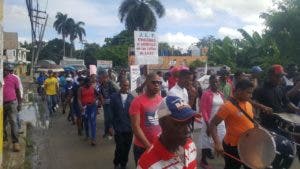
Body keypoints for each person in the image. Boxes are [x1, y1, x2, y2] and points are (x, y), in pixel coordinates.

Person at [138, 96, 198, 169]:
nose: (187, 131)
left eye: (188, 123)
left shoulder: (190, 145)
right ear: (162, 123)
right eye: (179, 125)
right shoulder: (147, 164)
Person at [209, 79, 255, 169]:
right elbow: (213, 124)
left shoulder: (248, 104)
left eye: (251, 93)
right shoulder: (227, 106)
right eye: (248, 93)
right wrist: (217, 143)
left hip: (248, 144)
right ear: (239, 91)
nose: (251, 95)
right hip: (233, 146)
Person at [253, 65, 300, 133]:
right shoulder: (260, 90)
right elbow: (253, 104)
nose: (280, 79)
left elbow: (287, 102)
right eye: (277, 76)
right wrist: (256, 116)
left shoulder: (280, 88)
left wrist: (296, 109)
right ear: (270, 75)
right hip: (267, 124)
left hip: (281, 122)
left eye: (281, 76)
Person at [129, 73, 163, 164]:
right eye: (154, 82)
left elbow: (164, 121)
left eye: (159, 83)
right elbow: (136, 127)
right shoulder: (137, 101)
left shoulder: (161, 100)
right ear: (147, 83)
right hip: (142, 147)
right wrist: (148, 146)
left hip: (159, 145)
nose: (157, 85)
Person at [199, 75, 226, 169]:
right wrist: (208, 125)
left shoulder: (220, 94)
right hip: (209, 121)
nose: (216, 83)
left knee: (221, 138)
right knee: (206, 140)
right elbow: (203, 110)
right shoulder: (206, 94)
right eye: (214, 82)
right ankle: (203, 160)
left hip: (220, 122)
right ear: (210, 83)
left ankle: (213, 151)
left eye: (217, 82)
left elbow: (223, 108)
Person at [110, 79, 134, 169]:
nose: (126, 87)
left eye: (127, 85)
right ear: (120, 85)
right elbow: (110, 113)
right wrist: (111, 126)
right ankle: (116, 163)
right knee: (119, 147)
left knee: (127, 148)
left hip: (129, 128)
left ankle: (123, 164)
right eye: (124, 85)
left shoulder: (132, 98)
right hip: (118, 127)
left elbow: (134, 114)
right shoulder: (114, 97)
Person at [3, 64, 22, 152]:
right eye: (4, 70)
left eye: (7, 70)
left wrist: (20, 103)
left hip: (12, 103)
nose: (5, 72)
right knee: (2, 123)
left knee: (13, 122)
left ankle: (15, 142)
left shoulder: (14, 78)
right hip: (1, 104)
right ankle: (4, 139)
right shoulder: (0, 78)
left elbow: (18, 91)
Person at [78, 77, 98, 146]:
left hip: (92, 106)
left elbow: (97, 95)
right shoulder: (81, 89)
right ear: (85, 82)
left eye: (91, 82)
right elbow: (79, 99)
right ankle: (87, 135)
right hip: (84, 107)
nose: (90, 84)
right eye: (89, 82)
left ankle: (93, 139)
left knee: (93, 122)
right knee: (86, 122)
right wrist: (81, 106)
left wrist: (95, 100)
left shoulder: (93, 88)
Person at [99, 71, 118, 139]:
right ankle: (107, 132)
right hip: (105, 104)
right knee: (106, 119)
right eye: (101, 78)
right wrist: (101, 99)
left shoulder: (112, 84)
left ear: (107, 77)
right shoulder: (101, 85)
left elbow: (118, 91)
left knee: (111, 118)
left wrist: (113, 99)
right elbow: (100, 93)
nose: (102, 79)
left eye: (103, 78)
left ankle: (113, 133)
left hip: (112, 104)